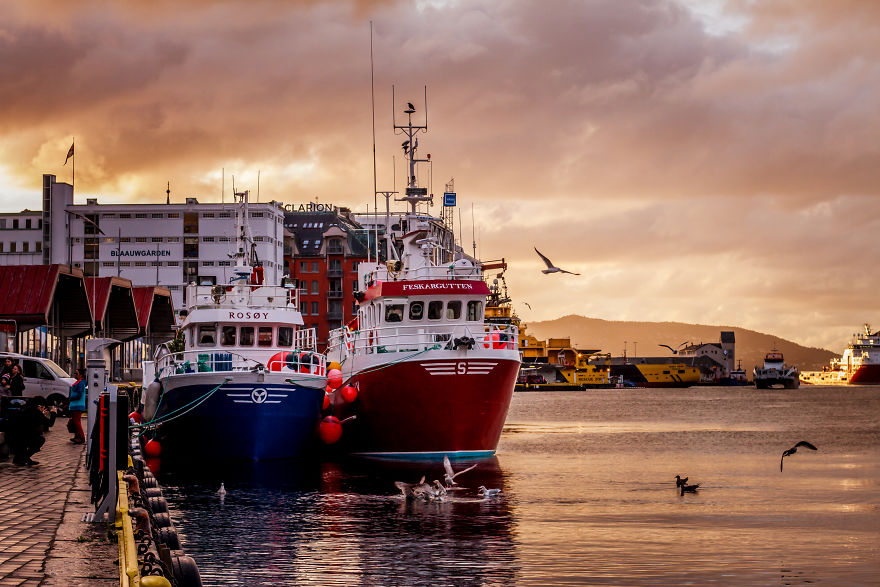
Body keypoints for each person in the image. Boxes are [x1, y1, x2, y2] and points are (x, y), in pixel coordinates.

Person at [9, 397, 51, 466]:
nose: (43, 409)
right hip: (21, 438)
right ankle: (25, 457)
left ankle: (20, 459)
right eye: (43, 407)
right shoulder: (37, 412)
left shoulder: (27, 409)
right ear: (39, 406)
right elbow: (49, 423)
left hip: (14, 435)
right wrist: (53, 413)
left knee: (30, 437)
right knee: (40, 439)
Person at [67, 367, 86, 444]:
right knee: (75, 421)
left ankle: (81, 437)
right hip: (74, 405)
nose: (75, 375)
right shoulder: (78, 382)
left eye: (76, 373)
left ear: (80, 375)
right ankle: (77, 436)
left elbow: (79, 394)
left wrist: (71, 398)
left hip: (78, 405)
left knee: (77, 421)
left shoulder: (81, 383)